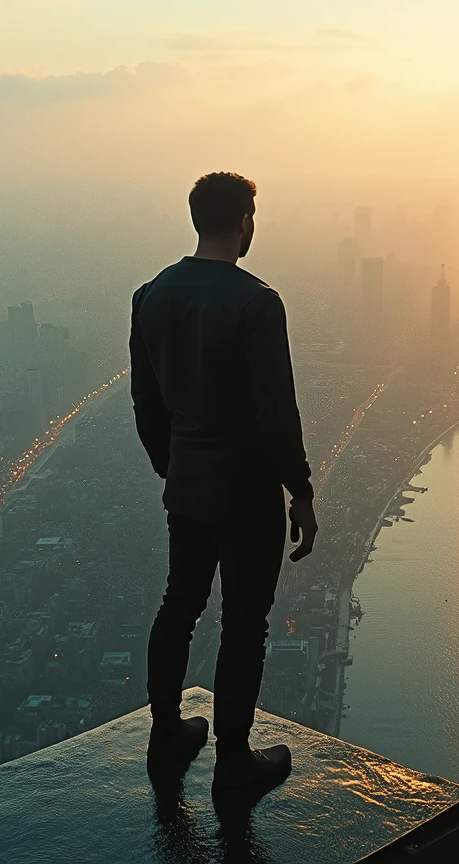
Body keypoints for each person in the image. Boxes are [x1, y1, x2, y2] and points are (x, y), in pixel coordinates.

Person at [131, 171, 318, 792]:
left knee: (178, 606)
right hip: (247, 492)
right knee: (245, 621)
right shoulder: (258, 303)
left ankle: (167, 736)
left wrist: (173, 464)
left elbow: (146, 402)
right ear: (244, 222)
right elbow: (275, 411)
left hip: (188, 486)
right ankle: (234, 762)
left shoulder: (150, 296)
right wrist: (302, 490)